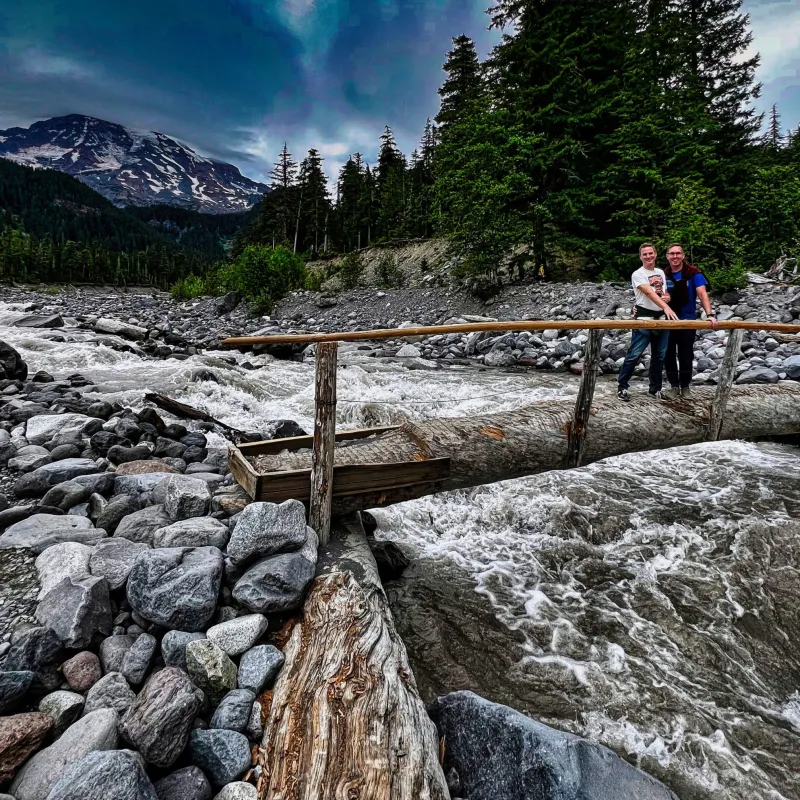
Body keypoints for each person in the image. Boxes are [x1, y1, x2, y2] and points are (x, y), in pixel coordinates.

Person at [617, 243, 678, 402]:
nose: (648, 256)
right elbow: (649, 293)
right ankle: (622, 386)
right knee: (634, 354)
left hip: (662, 319)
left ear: (656, 254)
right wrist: (666, 307)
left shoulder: (660, 273)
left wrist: (667, 298)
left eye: (651, 253)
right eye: (645, 254)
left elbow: (662, 291)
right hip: (644, 319)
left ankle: (655, 388)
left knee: (659, 356)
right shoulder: (638, 274)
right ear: (640, 257)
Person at [662, 244, 717, 399]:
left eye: (678, 253)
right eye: (672, 254)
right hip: (668, 320)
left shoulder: (693, 273)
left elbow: (702, 293)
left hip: (688, 319)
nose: (675, 256)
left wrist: (710, 314)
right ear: (667, 256)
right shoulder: (663, 275)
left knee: (686, 354)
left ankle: (685, 386)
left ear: (683, 255)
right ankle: (673, 386)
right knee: (668, 353)